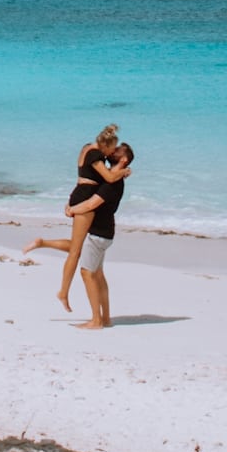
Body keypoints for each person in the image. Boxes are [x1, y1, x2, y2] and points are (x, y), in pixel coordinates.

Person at [24, 125, 128, 310]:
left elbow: (87, 176)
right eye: (111, 150)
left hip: (80, 193)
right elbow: (109, 178)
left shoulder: (87, 147)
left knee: (78, 246)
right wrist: (124, 172)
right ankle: (63, 292)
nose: (110, 155)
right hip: (86, 197)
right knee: (76, 251)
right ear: (104, 146)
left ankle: (43, 243)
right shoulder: (96, 154)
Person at [76, 141, 132, 330]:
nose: (112, 151)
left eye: (117, 150)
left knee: (87, 273)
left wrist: (71, 209)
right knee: (98, 274)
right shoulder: (114, 178)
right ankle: (106, 318)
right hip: (106, 232)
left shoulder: (113, 182)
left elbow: (92, 204)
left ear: (123, 159)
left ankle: (96, 320)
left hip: (99, 233)